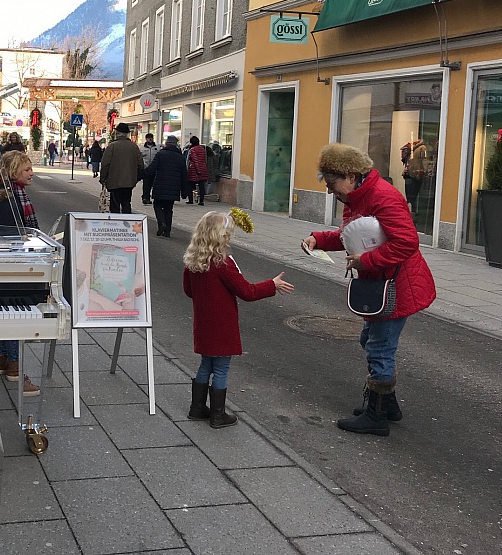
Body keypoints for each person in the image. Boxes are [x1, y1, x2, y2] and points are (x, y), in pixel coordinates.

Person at [303, 143, 436, 437]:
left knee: (379, 347)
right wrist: (318, 239)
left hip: (395, 286)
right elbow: (354, 236)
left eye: (331, 183)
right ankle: (387, 405)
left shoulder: (382, 197)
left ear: (350, 176)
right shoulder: (359, 197)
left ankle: (377, 417)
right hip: (383, 284)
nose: (329, 191)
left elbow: (406, 242)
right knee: (371, 341)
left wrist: (366, 260)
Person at [183, 211, 294, 428]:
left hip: (204, 323)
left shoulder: (193, 261)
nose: (230, 238)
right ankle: (217, 415)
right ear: (221, 236)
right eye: (228, 234)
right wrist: (272, 284)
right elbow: (247, 291)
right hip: (222, 325)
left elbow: (188, 290)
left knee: (206, 363)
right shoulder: (223, 263)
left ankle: (197, 408)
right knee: (222, 368)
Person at [0, 150, 41, 396]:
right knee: (14, 312)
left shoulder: (7, 196)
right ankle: (16, 368)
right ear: (13, 173)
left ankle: (1, 360)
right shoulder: (11, 201)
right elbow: (14, 237)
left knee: (2, 310)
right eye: (26, 170)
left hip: (1, 262)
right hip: (13, 262)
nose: (31, 173)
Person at [144, 135, 187, 238]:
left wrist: (141, 174)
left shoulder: (160, 154)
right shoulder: (180, 157)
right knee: (169, 208)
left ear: (166, 144)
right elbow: (184, 175)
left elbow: (151, 169)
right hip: (173, 187)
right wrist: (185, 191)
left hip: (160, 185)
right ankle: (167, 231)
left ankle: (162, 223)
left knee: (157, 205)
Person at [100, 122, 145, 213]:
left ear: (117, 133)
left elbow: (105, 164)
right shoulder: (134, 147)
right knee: (126, 203)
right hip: (129, 181)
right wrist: (137, 177)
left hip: (114, 181)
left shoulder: (112, 146)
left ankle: (116, 224)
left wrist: (103, 178)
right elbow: (141, 164)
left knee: (115, 204)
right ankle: (127, 222)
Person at [185, 136, 209, 205]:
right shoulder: (202, 149)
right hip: (203, 168)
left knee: (190, 185)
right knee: (201, 186)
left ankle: (190, 200)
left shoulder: (192, 150)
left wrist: (198, 170)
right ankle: (201, 201)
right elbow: (204, 160)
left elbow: (195, 160)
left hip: (194, 170)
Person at [139, 132, 161, 205]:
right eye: (148, 138)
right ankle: (146, 197)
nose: (150, 139)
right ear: (146, 139)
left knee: (154, 184)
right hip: (146, 168)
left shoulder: (157, 147)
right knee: (146, 184)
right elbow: (139, 158)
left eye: (151, 138)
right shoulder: (142, 148)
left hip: (155, 169)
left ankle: (154, 197)